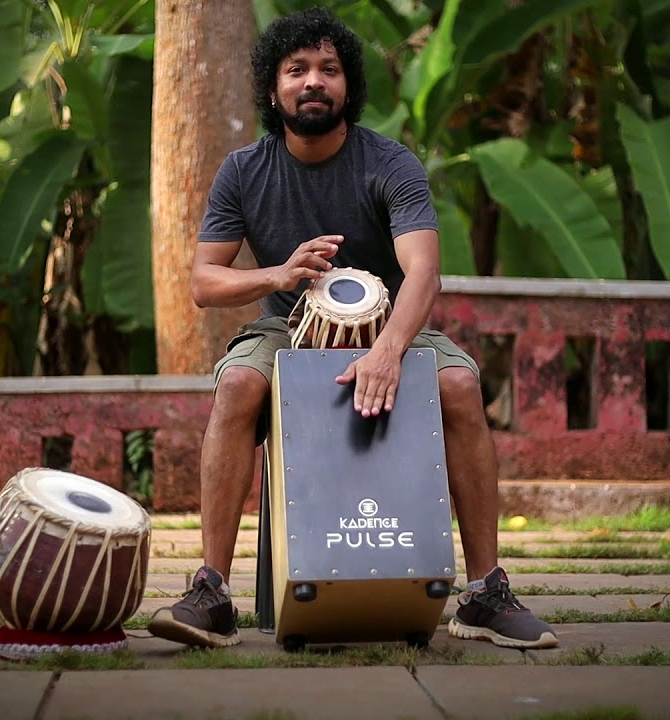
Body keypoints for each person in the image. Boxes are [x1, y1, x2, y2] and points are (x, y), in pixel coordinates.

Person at [146, 6, 558, 652]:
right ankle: (212, 592)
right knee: (237, 386)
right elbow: (204, 281)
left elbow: (423, 272)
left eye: (329, 69)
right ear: (273, 88)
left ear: (349, 86)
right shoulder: (244, 171)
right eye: (297, 69)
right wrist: (279, 274)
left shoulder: (390, 163)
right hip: (286, 326)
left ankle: (485, 592)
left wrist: (389, 350)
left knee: (458, 383)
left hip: (392, 326)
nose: (314, 80)